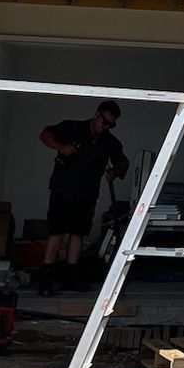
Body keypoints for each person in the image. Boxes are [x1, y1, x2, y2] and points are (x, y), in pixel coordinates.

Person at [38, 100, 127, 292]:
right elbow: (45, 135)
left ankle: (72, 276)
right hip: (63, 189)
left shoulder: (110, 142)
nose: (105, 127)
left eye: (110, 125)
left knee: (78, 232)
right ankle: (46, 277)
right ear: (97, 115)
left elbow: (122, 162)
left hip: (87, 193)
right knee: (56, 232)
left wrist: (115, 172)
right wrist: (61, 147)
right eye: (104, 122)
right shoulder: (72, 128)